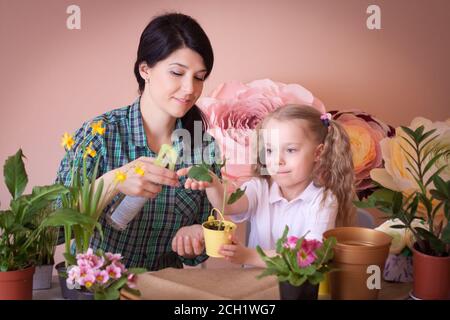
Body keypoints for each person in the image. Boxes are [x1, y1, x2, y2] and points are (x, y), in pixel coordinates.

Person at [56, 13, 221, 270]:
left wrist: (197, 234)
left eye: (199, 77)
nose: (190, 89)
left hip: (162, 289)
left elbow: (205, 244)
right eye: (177, 73)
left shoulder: (203, 148)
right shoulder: (100, 135)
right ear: (145, 69)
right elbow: (53, 228)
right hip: (97, 287)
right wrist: (115, 181)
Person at [176, 104, 356, 267]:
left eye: (291, 150)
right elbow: (227, 206)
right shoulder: (260, 188)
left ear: (318, 153)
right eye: (270, 150)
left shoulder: (323, 200)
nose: (277, 160)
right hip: (255, 290)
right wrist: (213, 184)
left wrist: (250, 257)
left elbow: (311, 256)